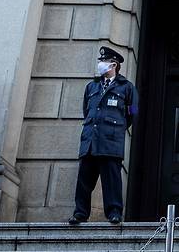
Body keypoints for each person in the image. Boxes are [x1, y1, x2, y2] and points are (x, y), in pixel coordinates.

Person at [68, 46, 138, 225]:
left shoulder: (126, 87)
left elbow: (133, 112)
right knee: (84, 180)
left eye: (103, 61)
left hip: (111, 140)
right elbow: (87, 110)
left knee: (112, 179)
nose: (100, 64)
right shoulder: (91, 86)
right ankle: (80, 213)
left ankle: (114, 212)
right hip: (91, 139)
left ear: (113, 64)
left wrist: (117, 127)